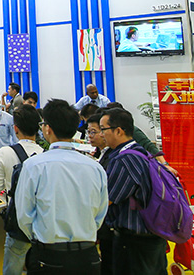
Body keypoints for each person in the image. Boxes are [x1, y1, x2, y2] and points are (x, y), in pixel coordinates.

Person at [15, 99, 108, 275]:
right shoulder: (95, 167)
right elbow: (100, 213)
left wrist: (40, 236)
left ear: (48, 129)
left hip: (48, 255)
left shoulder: (34, 165)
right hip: (87, 255)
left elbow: (24, 215)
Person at [99, 108, 166, 275]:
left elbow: (107, 200)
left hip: (135, 240)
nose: (101, 134)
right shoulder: (141, 152)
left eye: (103, 129)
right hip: (151, 234)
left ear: (118, 131)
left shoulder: (125, 160)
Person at [0, 104, 44, 275]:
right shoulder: (45, 154)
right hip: (42, 222)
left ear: (15, 128)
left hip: (17, 222)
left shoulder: (5, 153)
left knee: (12, 268)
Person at [103, 102, 177, 176]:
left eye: (103, 129)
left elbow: (149, 146)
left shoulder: (127, 157)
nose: (101, 134)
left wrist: (164, 164)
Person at [86, 112, 113, 275]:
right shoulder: (100, 154)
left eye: (94, 131)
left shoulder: (114, 157)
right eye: (88, 132)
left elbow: (110, 196)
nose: (90, 136)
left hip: (110, 224)